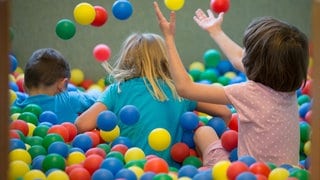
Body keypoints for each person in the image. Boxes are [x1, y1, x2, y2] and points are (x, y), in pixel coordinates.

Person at [153, 1, 309, 167]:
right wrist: (215, 31)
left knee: (204, 132)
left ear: (255, 63)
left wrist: (168, 38)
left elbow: (185, 88)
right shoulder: (289, 85)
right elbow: (238, 58)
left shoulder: (249, 93)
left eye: (247, 50)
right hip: (288, 173)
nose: (243, 53)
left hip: (248, 175)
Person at [75, 32, 231, 167]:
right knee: (204, 131)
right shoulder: (180, 90)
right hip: (171, 171)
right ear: (166, 59)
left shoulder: (117, 90)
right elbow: (225, 112)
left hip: (126, 169)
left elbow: (82, 124)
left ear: (127, 59)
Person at [13, 48, 99, 123]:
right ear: (63, 84)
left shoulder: (17, 107)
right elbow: (98, 99)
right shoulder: (70, 100)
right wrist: (95, 91)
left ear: (24, 86)